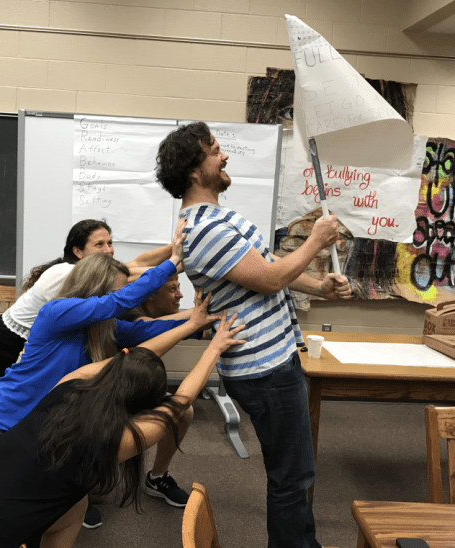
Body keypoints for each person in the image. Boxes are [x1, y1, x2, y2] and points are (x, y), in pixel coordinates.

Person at [0, 219, 201, 529]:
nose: (118, 303)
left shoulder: (102, 327)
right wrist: (172, 263)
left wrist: (197, 320)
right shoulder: (56, 313)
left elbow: (148, 331)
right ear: (94, 289)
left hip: (14, 426)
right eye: (111, 295)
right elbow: (119, 301)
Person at [156, 121, 352, 548]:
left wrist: (319, 286)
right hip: (263, 369)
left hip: (273, 360)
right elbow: (267, 278)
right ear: (194, 171)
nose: (224, 157)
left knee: (293, 473)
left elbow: (266, 269)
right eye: (214, 151)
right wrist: (316, 239)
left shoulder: (217, 217)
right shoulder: (204, 230)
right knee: (292, 476)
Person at [0, 305, 245, 548]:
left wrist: (194, 326)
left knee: (75, 502)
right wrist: (214, 348)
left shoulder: (71, 383)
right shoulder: (120, 438)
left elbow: (131, 359)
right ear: (144, 403)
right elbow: (182, 400)